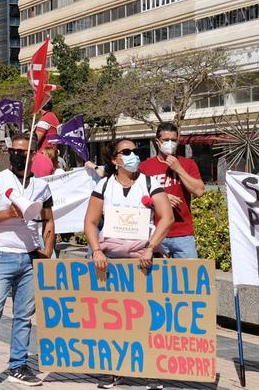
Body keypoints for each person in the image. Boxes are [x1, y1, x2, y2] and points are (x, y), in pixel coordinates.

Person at [84, 137, 174, 389]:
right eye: (126, 152)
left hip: (142, 261)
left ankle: (151, 372)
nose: (133, 155)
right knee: (114, 320)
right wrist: (96, 251)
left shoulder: (149, 182)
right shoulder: (103, 186)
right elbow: (90, 222)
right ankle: (115, 370)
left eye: (136, 151)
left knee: (148, 317)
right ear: (114, 160)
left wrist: (150, 247)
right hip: (111, 262)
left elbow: (166, 217)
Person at [0, 134, 55, 388]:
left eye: (25, 151)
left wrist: (46, 251)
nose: (19, 155)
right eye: (15, 151)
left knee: (24, 316)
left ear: (33, 155)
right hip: (1, 256)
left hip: (30, 257)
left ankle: (18, 365)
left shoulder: (42, 186)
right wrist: (8, 213)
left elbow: (49, 221)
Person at [138, 122, 205, 259]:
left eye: (173, 140)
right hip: (154, 233)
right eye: (165, 140)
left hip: (183, 234)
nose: (170, 143)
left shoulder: (188, 164)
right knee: (156, 279)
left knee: (189, 277)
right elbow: (137, 197)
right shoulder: (144, 167)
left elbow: (199, 191)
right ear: (157, 142)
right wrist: (161, 198)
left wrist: (179, 169)